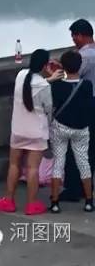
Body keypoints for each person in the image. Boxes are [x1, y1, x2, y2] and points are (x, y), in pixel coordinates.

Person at [0, 49, 61, 216]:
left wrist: (48, 78)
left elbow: (31, 84)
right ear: (45, 65)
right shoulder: (44, 86)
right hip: (37, 132)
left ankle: (8, 200)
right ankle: (31, 204)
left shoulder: (20, 75)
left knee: (14, 164)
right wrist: (50, 78)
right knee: (32, 168)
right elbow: (48, 108)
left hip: (18, 129)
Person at [49, 49, 94, 213]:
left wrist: (52, 73)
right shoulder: (87, 86)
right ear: (80, 65)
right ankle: (89, 201)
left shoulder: (57, 86)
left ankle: (54, 203)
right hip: (81, 129)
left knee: (58, 163)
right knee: (84, 163)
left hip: (60, 127)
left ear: (64, 67)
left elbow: (52, 106)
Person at [61, 19, 95, 201]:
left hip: (86, 105)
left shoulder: (86, 56)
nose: (73, 39)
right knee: (91, 148)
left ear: (80, 35)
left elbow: (71, 75)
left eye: (74, 35)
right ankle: (88, 184)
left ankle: (75, 188)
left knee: (77, 148)